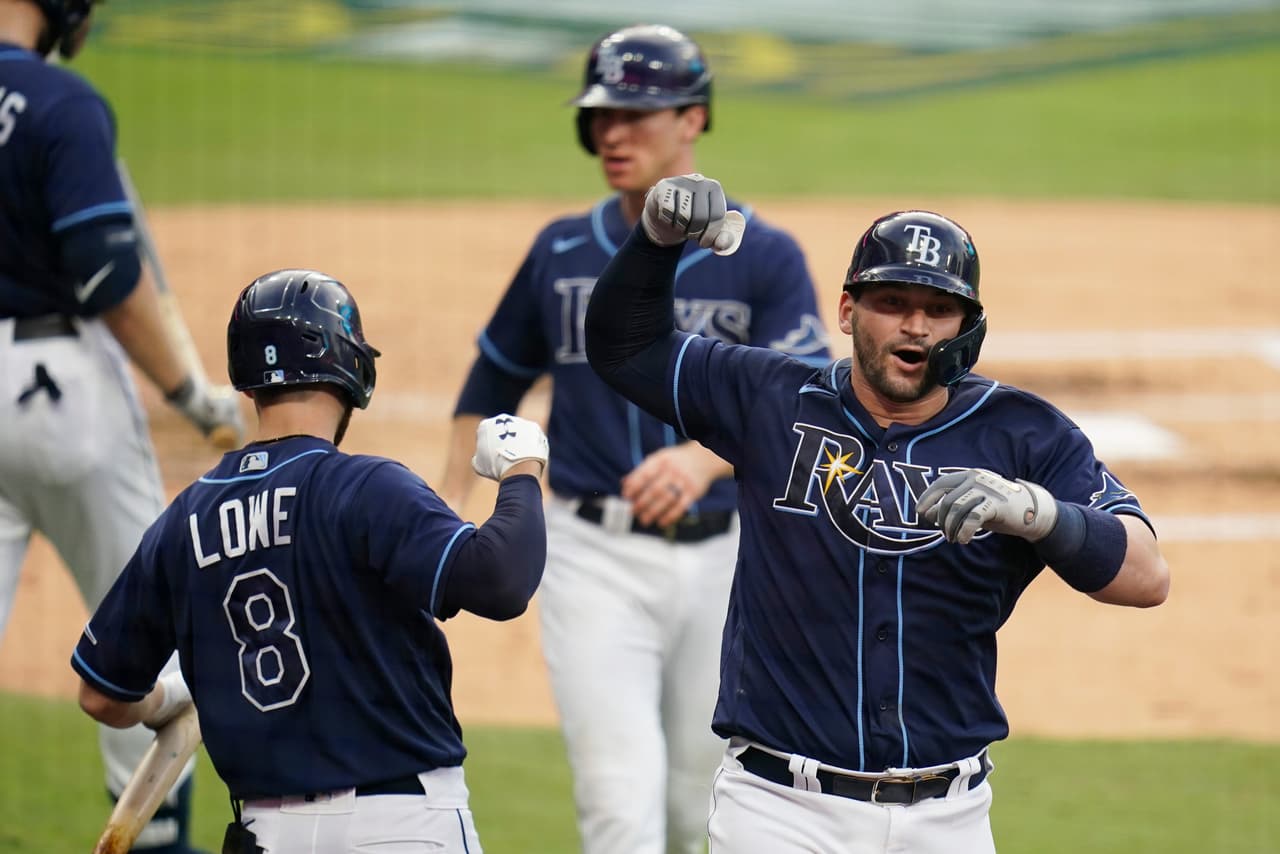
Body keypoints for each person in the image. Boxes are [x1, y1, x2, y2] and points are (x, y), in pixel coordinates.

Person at [584, 173, 1171, 853]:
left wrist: (1039, 513)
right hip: (779, 811)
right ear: (846, 310)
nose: (916, 325)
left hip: (948, 819)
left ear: (968, 327)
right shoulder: (770, 399)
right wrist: (655, 241)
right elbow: (626, 349)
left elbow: (1146, 575)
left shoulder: (1024, 434)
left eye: (940, 308)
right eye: (892, 302)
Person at [437, 24, 830, 854]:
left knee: (702, 804)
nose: (612, 134)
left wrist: (701, 458)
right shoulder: (562, 250)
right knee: (620, 804)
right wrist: (441, 516)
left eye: (634, 115)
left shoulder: (764, 256)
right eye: (600, 116)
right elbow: (489, 386)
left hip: (731, 560)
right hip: (593, 559)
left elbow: (805, 405)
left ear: (693, 118)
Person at [71, 268, 550, 853]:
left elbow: (101, 694)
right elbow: (501, 580)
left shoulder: (184, 521)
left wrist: (164, 700)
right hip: (403, 827)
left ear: (247, 382)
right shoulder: (365, 488)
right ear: (350, 366)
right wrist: (522, 468)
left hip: (269, 835)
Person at [0, 2, 243, 851]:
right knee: (155, 630)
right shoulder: (59, 102)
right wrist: (191, 396)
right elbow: (109, 275)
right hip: (56, 395)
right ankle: (154, 840)